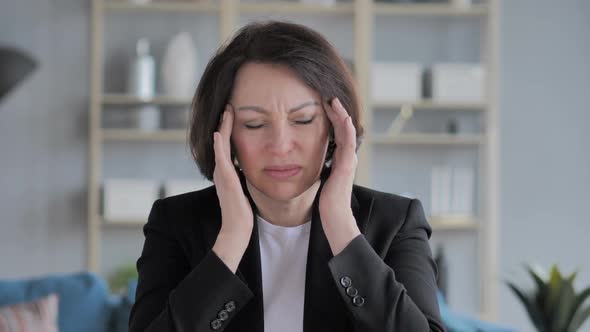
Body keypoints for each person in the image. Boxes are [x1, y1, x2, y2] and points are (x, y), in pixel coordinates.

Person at [129, 20, 445, 332]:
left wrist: (340, 224)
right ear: (223, 135)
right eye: (254, 124)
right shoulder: (175, 223)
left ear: (336, 128)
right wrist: (231, 240)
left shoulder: (397, 223)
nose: (280, 146)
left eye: (304, 120)